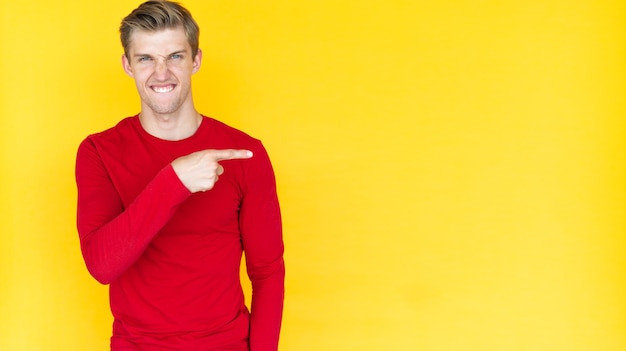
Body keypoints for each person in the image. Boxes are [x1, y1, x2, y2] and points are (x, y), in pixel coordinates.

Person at [74, 1, 285, 350]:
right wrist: (174, 181)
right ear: (128, 65)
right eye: (146, 59)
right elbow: (101, 265)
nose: (161, 73)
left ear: (195, 60)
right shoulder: (99, 152)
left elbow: (267, 272)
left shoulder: (245, 154)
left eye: (174, 56)